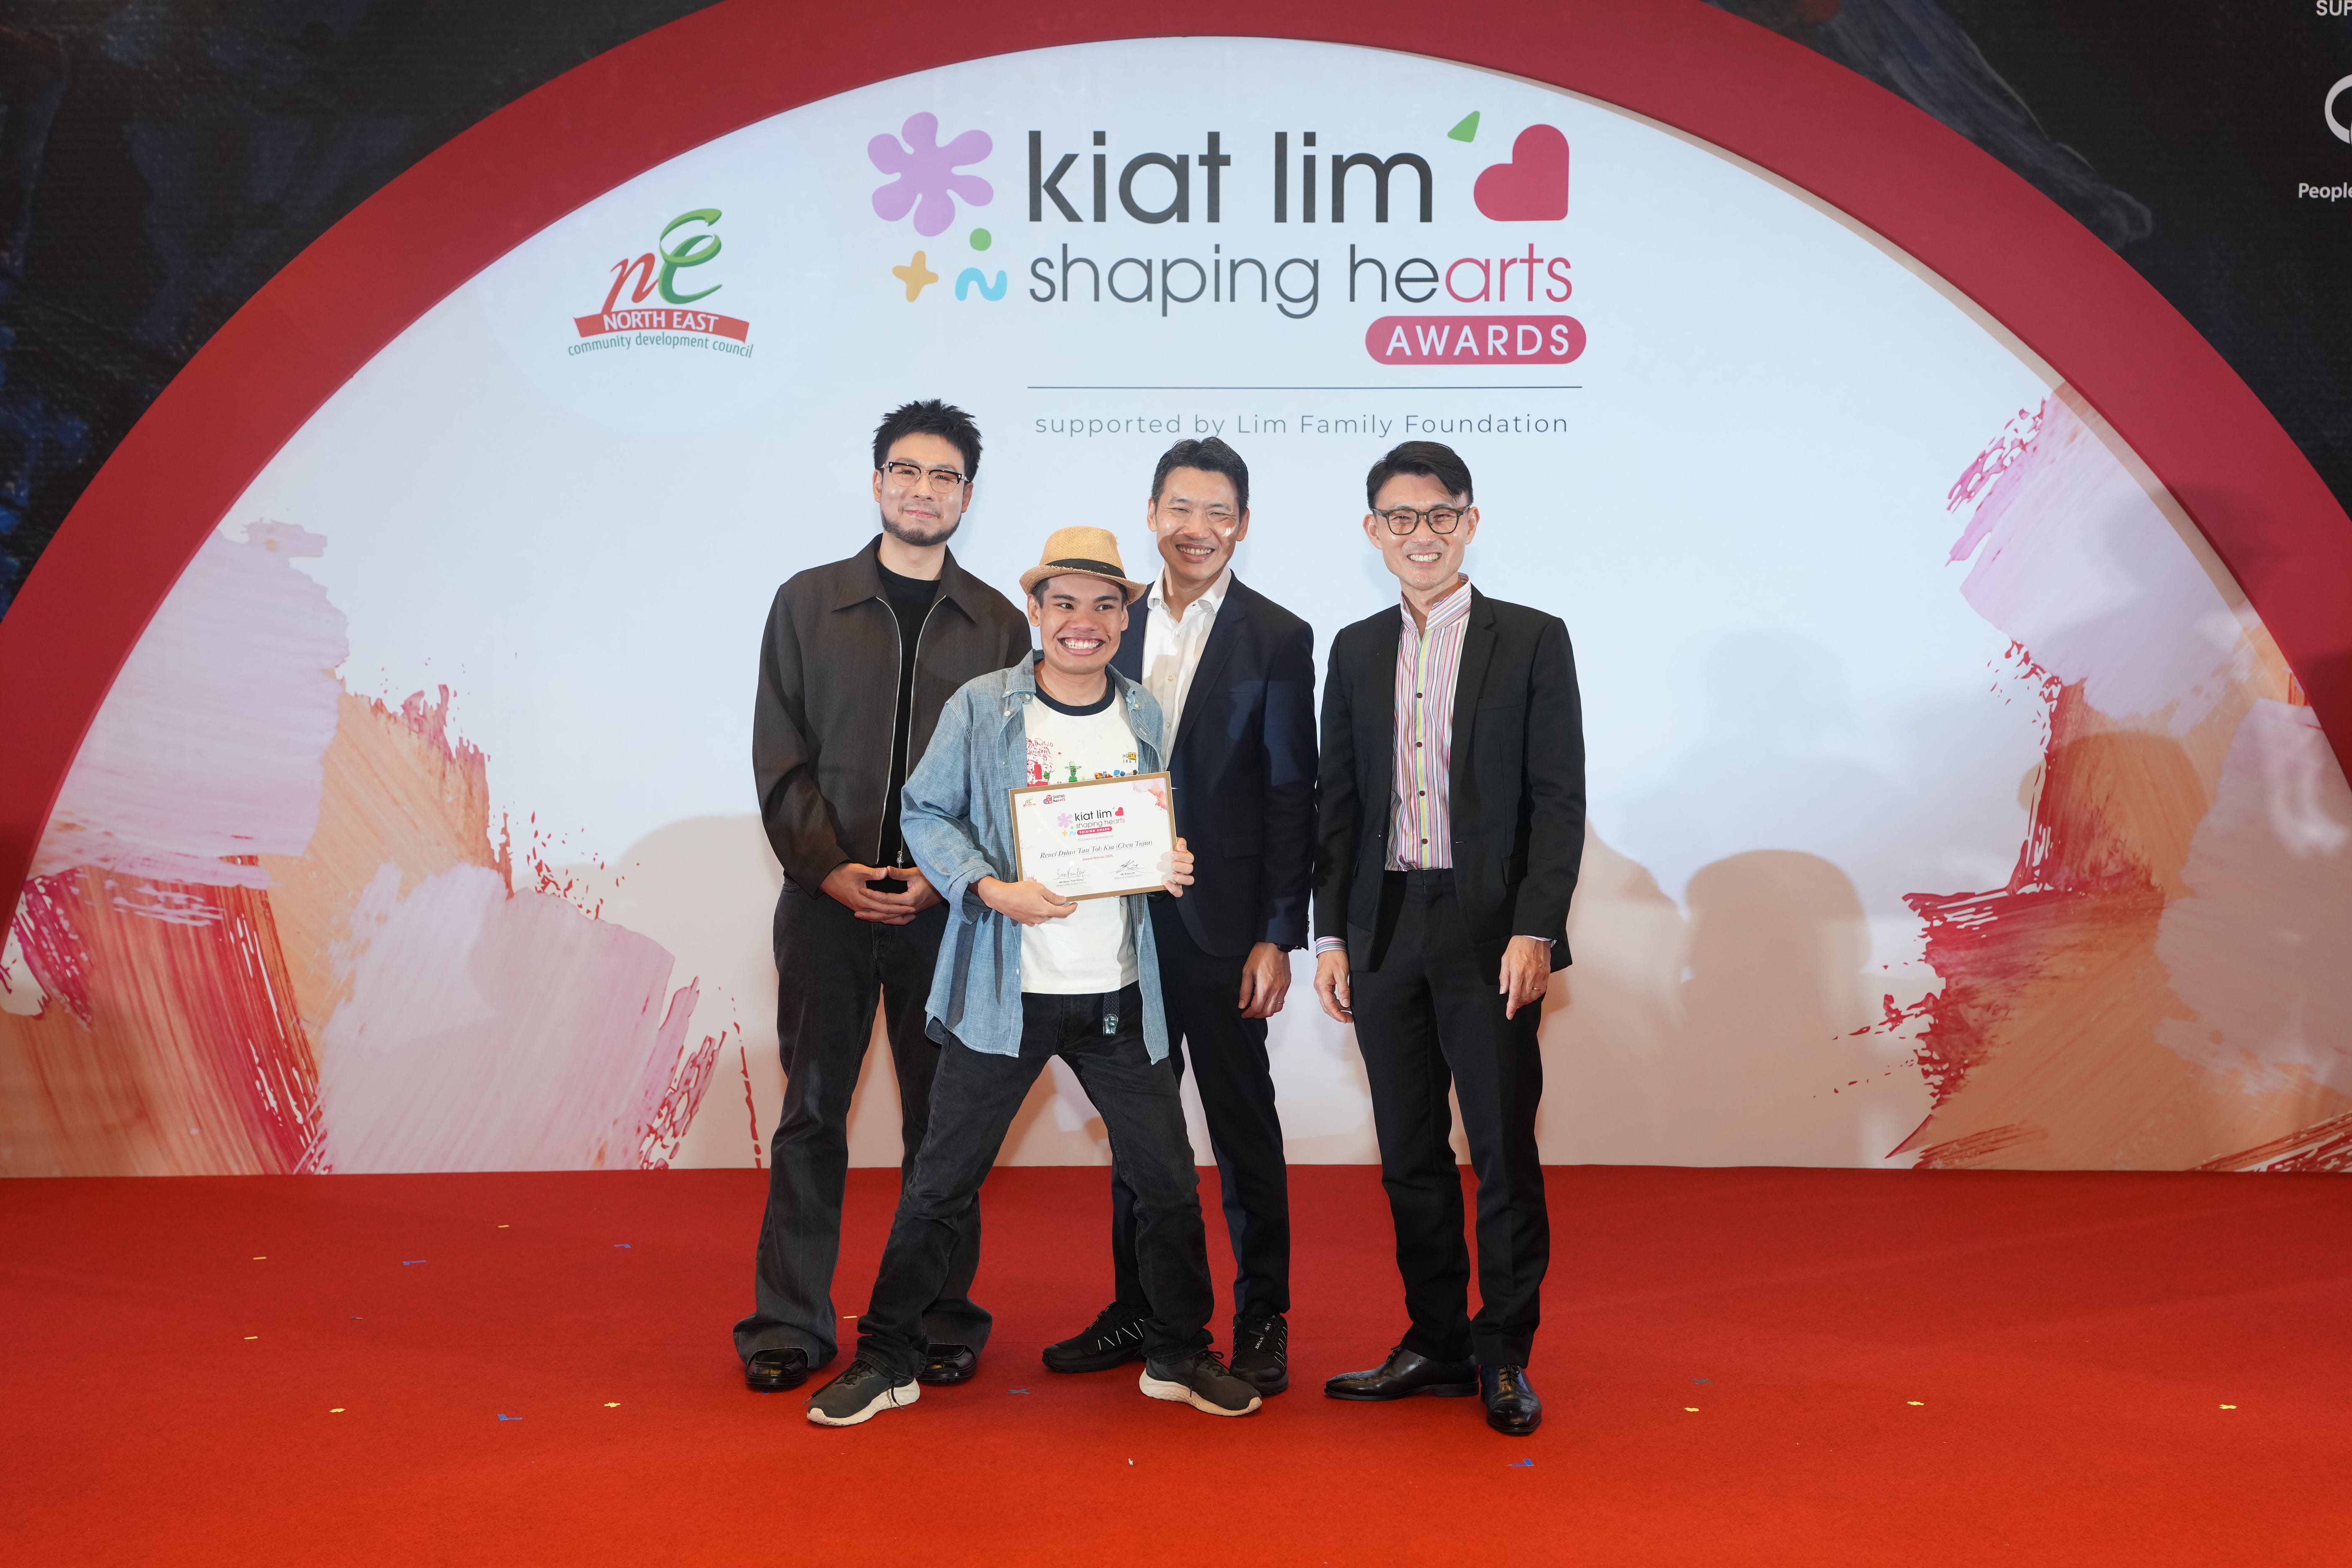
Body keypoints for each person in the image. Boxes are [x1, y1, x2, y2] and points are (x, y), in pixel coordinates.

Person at [804, 528, 1262, 1426]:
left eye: (1104, 605)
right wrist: (988, 887)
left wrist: (1166, 859)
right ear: (1036, 611)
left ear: (1124, 620)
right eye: (1065, 603)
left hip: (1120, 995)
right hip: (1003, 996)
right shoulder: (984, 706)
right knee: (941, 1184)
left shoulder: (1144, 714)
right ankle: (888, 1358)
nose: (1083, 622)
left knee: (1168, 1184)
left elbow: (1148, 826)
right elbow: (925, 811)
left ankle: (1177, 1352)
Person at [734, 400, 1032, 1395]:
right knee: (812, 1116)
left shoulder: (1000, 623)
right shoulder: (807, 602)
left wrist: (946, 878)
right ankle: (788, 1324)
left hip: (948, 919)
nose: (922, 490)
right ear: (877, 482)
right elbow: (780, 755)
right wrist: (830, 870)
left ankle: (938, 1318)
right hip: (825, 905)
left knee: (942, 1128)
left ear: (967, 496)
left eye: (944, 477)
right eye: (905, 471)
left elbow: (1005, 780)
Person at [1311, 441, 1586, 1437]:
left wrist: (1535, 928)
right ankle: (1437, 1341)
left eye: (1438, 516)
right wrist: (1330, 935)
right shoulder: (1353, 649)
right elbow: (1338, 806)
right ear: (1373, 530)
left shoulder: (1533, 639)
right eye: (1400, 518)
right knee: (1408, 1151)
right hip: (1383, 927)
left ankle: (1504, 1352)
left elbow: (1558, 800)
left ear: (1470, 523)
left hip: (1489, 933)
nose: (1419, 535)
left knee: (1503, 1148)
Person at [1042, 438, 1315, 1395]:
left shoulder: (1277, 636)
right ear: (1153, 514)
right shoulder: (1105, 622)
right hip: (1117, 927)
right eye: (1181, 509)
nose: (1197, 529)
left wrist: (1277, 934)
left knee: (1242, 1128)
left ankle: (1264, 1314)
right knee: (1139, 1133)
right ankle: (1142, 1308)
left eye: (1218, 513)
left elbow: (1291, 794)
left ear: (1243, 524)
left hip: (1223, 932)